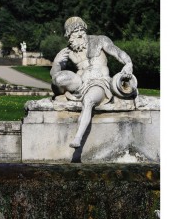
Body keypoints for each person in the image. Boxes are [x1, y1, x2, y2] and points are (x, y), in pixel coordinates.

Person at [51, 17, 134, 148]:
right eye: (75, 32)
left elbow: (117, 52)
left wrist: (128, 63)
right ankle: (61, 95)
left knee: (88, 100)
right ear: (68, 35)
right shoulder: (68, 51)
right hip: (79, 83)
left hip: (98, 82)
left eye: (81, 30)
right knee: (58, 79)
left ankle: (78, 137)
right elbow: (53, 76)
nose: (79, 34)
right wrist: (56, 62)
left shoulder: (99, 40)